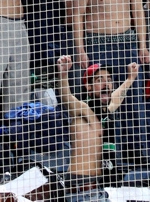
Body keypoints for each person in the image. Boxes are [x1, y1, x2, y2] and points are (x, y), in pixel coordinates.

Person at [71, 0, 150, 160]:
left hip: (126, 42)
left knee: (133, 100)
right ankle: (104, 161)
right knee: (102, 104)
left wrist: (143, 45)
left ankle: (139, 158)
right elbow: (77, 16)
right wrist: (80, 50)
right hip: (98, 44)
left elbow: (138, 11)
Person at [56, 55, 139, 201]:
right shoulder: (83, 109)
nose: (106, 84)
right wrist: (63, 75)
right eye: (99, 80)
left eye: (108, 80)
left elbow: (117, 98)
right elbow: (67, 99)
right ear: (88, 87)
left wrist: (130, 79)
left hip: (100, 185)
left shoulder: (105, 112)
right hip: (82, 186)